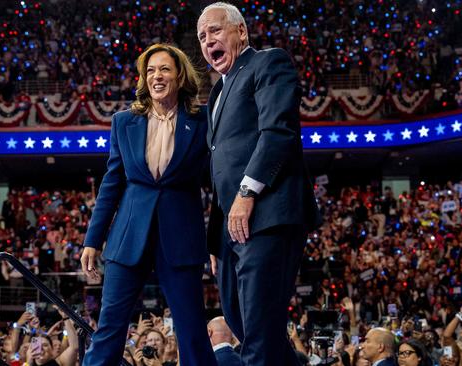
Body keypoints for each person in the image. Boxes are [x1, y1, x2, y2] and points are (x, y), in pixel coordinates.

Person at [197, 3, 319, 365]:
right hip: (230, 228)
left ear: (241, 32)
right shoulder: (217, 93)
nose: (208, 41)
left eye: (215, 31)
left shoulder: (268, 62)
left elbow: (278, 132)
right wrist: (217, 237)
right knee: (244, 323)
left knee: (259, 334)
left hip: (267, 216)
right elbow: (220, 169)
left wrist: (248, 192)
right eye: (202, 36)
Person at [80, 43, 217, 366]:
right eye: (151, 70)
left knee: (192, 330)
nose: (157, 76)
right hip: (128, 237)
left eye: (165, 69)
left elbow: (219, 180)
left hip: (181, 239)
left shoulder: (202, 121)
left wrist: (217, 242)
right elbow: (111, 184)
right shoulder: (123, 121)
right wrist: (92, 240)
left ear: (179, 75)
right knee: (110, 327)